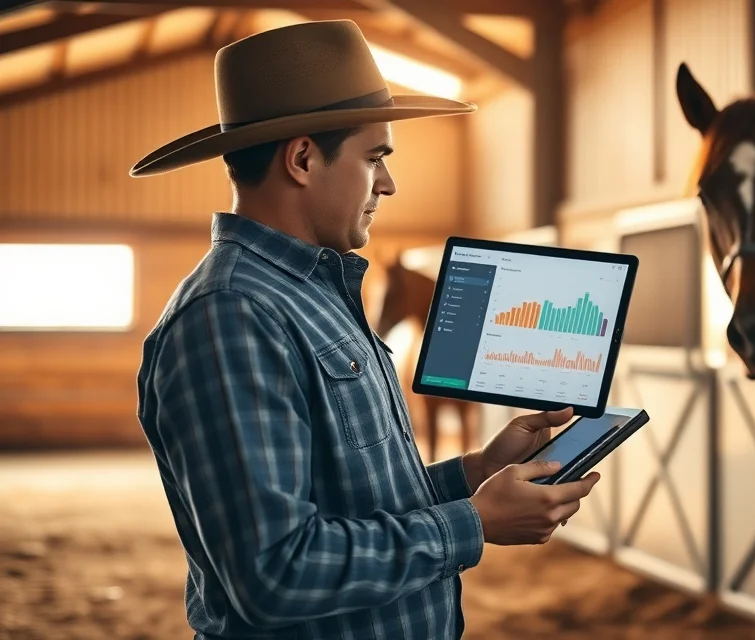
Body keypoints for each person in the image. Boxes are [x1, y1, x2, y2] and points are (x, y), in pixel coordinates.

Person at [130, 19, 600, 640]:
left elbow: (355, 502)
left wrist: (475, 472)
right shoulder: (231, 316)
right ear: (302, 159)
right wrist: (472, 524)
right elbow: (274, 573)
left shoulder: (314, 294)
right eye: (374, 157)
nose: (389, 182)